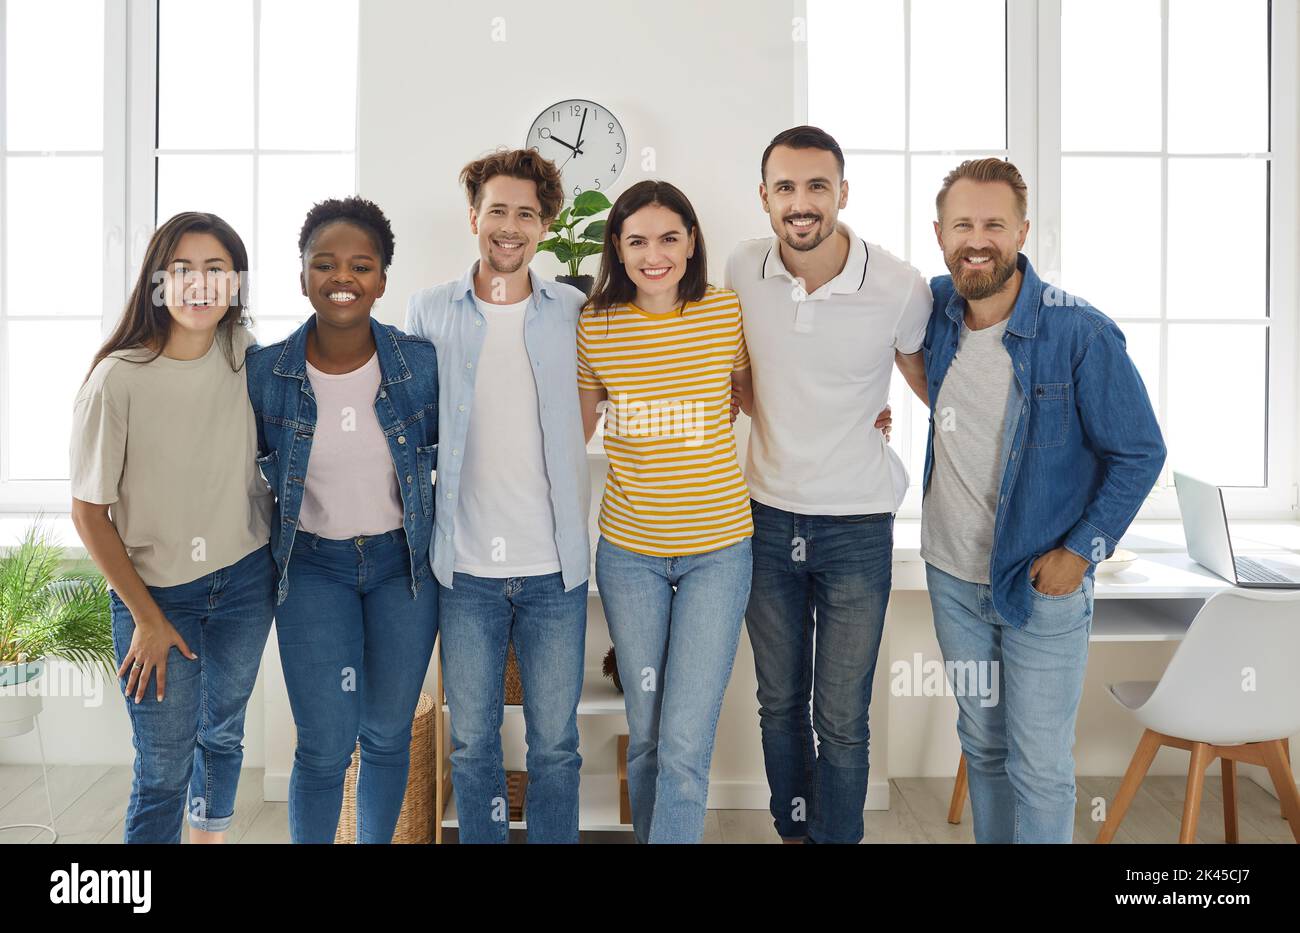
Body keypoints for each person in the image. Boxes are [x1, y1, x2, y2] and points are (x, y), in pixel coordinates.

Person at [920, 157, 1166, 843]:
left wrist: (1080, 553)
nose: (978, 239)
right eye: (962, 223)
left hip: (1043, 583)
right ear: (939, 233)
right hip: (952, 576)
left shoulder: (1080, 332)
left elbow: (1140, 451)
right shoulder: (937, 310)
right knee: (985, 748)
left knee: (1040, 765)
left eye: (994, 224)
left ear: (1022, 230)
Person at [725, 126, 929, 844]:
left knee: (841, 714)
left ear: (843, 192)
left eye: (817, 186)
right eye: (786, 187)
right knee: (778, 701)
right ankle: (793, 830)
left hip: (857, 525)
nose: (801, 202)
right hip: (766, 518)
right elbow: (733, 362)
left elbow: (931, 383)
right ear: (765, 197)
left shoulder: (899, 284)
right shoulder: (742, 269)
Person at [70, 212, 276, 843]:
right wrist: (148, 619)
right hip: (156, 595)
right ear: (157, 280)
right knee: (162, 768)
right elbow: (89, 512)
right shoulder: (117, 380)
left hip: (245, 581)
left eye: (217, 270)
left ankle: (209, 838)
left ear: (236, 284)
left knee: (222, 735)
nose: (199, 284)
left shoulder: (247, 357)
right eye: (182, 269)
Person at [405, 149, 590, 844]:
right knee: (473, 744)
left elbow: (630, 381)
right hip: (465, 573)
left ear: (544, 226)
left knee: (555, 747)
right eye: (497, 211)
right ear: (473, 217)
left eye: (526, 214)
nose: (510, 227)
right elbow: (405, 424)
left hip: (554, 571)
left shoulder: (573, 309)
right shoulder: (428, 310)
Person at [245, 196, 439, 843]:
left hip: (403, 568)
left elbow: (459, 459)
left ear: (383, 278)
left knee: (386, 735)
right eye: (323, 263)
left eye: (361, 264)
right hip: (312, 569)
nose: (342, 277)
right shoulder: (266, 372)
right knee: (325, 746)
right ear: (301, 275)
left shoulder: (420, 365)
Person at [578, 179, 753, 844]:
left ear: (691, 242)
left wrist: (860, 419)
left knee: (683, 738)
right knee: (648, 731)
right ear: (617, 250)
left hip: (720, 550)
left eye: (669, 237)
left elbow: (763, 398)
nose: (655, 254)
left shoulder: (724, 311)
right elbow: (573, 428)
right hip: (629, 554)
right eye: (637, 240)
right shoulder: (595, 324)